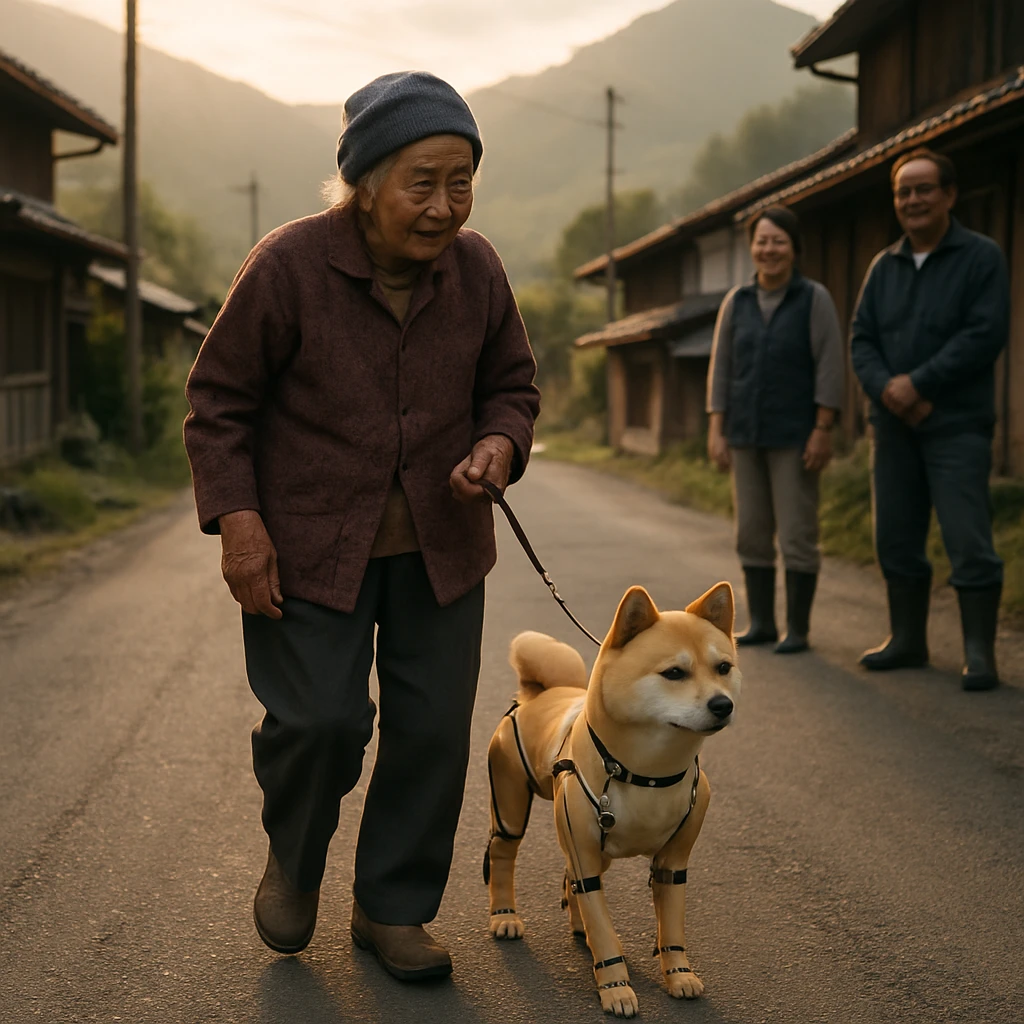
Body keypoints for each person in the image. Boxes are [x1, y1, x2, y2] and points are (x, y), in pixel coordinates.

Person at [183, 71, 540, 979]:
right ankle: (295, 860)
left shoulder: (478, 270)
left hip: (442, 549)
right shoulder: (288, 265)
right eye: (423, 183)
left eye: (461, 182)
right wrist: (239, 525)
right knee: (320, 723)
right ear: (366, 183)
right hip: (307, 550)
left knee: (432, 733)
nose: (445, 206)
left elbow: (512, 385)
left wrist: (498, 445)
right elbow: (218, 402)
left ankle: (392, 909)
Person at [850, 148, 1008, 691]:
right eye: (903, 192)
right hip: (892, 426)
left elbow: (984, 334)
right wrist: (890, 390)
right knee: (894, 538)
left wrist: (919, 383)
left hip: (957, 424)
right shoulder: (884, 266)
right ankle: (907, 639)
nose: (912, 200)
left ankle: (979, 654)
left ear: (949, 195)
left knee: (968, 540)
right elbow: (861, 339)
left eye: (923, 189)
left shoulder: (981, 257)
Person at [707, 205, 844, 654]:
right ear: (752, 248)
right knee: (751, 530)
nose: (769, 249)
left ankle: (798, 629)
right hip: (744, 434)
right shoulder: (737, 301)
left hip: (795, 435)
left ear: (794, 248)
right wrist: (716, 427)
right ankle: (763, 622)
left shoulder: (814, 299)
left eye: (778, 241)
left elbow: (830, 365)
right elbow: (721, 367)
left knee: (797, 531)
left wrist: (823, 426)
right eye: (762, 241)